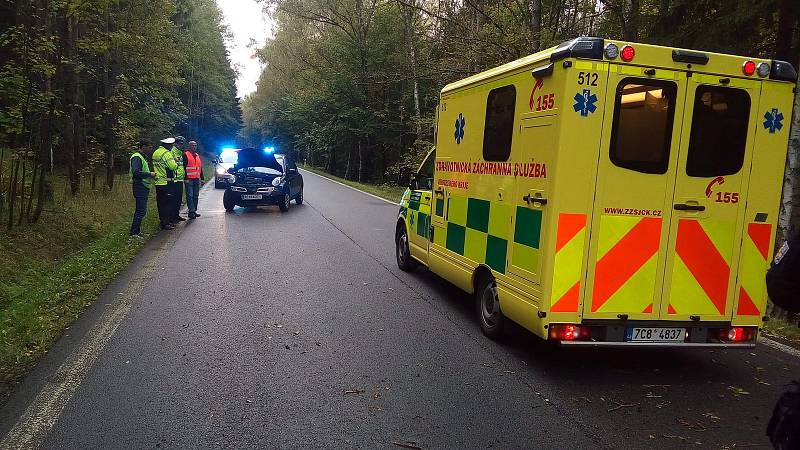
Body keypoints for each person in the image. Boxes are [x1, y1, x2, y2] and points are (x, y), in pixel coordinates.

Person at [129, 140, 156, 238]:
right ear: (143, 146)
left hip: (143, 186)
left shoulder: (142, 157)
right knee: (141, 210)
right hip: (139, 186)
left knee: (141, 210)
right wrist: (150, 174)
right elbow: (136, 172)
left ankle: (137, 231)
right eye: (149, 147)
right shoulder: (137, 157)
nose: (150, 149)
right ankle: (134, 233)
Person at [152, 138, 179, 230]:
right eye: (171, 145)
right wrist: (177, 162)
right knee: (167, 203)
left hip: (158, 181)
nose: (172, 147)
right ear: (168, 145)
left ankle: (162, 221)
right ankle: (166, 223)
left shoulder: (156, 152)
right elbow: (173, 167)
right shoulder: (166, 153)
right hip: (166, 182)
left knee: (160, 203)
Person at [184, 140, 204, 219]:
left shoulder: (197, 155)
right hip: (189, 179)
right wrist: (185, 178)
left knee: (196, 195)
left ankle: (194, 210)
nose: (194, 147)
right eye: (192, 145)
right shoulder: (185, 155)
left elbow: (200, 168)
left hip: (196, 179)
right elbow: (184, 167)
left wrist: (202, 178)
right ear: (189, 146)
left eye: (195, 145)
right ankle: (191, 211)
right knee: (190, 196)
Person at [170, 136, 188, 223]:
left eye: (182, 144)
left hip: (180, 179)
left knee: (178, 200)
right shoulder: (172, 152)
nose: (182, 146)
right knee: (174, 200)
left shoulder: (180, 153)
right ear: (175, 144)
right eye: (180, 144)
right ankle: (172, 217)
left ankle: (176, 215)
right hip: (174, 179)